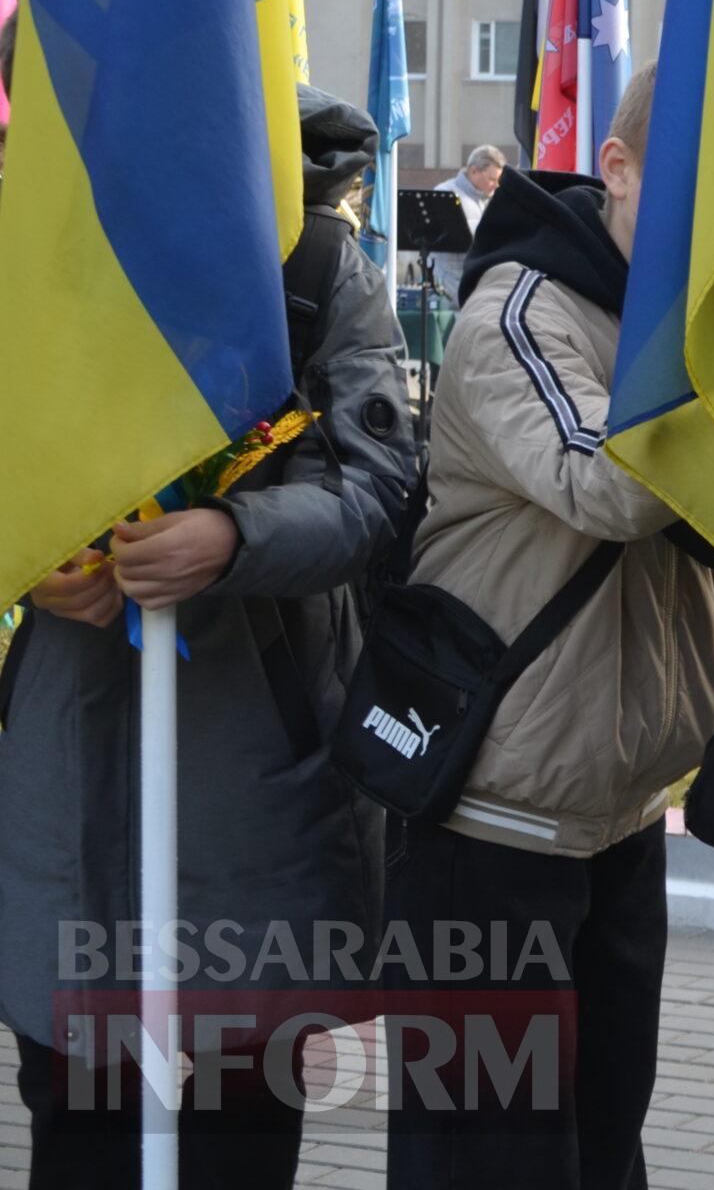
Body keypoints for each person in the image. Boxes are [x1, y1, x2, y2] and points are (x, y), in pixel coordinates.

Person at [0, 85, 419, 1189]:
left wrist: (235, 537)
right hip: (73, 759)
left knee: (240, 1115)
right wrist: (28, 553)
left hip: (254, 764)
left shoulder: (311, 262)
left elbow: (380, 484)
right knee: (81, 1123)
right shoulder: (25, 243)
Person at [385, 64, 714, 1187]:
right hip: (492, 816)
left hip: (613, 807)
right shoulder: (521, 310)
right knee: (487, 1158)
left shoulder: (662, 308)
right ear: (616, 169)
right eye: (690, 185)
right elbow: (610, 485)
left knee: (602, 1144)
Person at [427, 145, 507, 300]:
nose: (496, 185)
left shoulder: (492, 199)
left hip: (479, 282)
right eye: (492, 179)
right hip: (450, 283)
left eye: (498, 180)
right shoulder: (445, 193)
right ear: (474, 171)